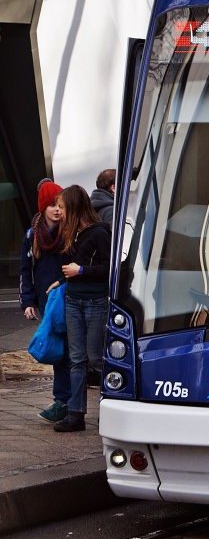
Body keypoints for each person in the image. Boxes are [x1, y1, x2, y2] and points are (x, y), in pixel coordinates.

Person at [54, 185, 113, 433]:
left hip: (94, 302)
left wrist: (81, 271)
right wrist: (64, 278)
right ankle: (75, 413)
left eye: (62, 207)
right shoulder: (72, 233)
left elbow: (109, 268)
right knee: (77, 359)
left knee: (96, 360)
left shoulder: (99, 232)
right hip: (74, 300)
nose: (59, 212)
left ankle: (108, 411)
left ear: (74, 207)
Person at [17, 181, 71, 423]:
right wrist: (27, 301)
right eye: (52, 205)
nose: (57, 210)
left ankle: (66, 401)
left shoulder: (70, 232)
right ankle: (63, 401)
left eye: (59, 204)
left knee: (70, 352)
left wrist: (60, 284)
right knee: (56, 350)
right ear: (43, 208)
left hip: (65, 298)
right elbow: (25, 270)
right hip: (45, 300)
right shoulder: (32, 236)